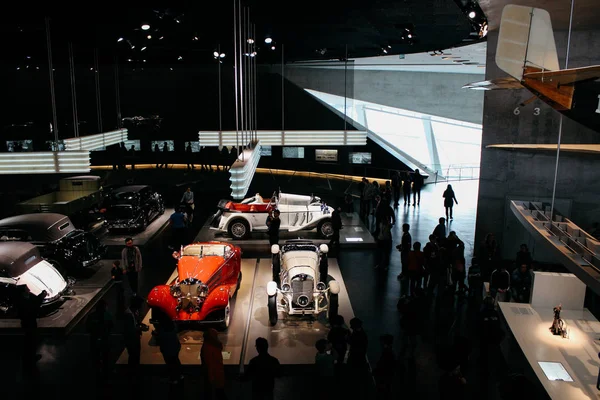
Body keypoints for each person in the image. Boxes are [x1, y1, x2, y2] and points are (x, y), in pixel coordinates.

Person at [16, 285, 46, 374]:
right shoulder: (22, 301)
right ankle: (29, 360)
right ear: (24, 292)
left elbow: (34, 303)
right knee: (30, 341)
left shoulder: (27, 298)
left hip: (30, 322)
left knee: (31, 340)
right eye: (27, 289)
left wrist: (41, 296)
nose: (29, 290)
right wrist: (41, 297)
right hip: (28, 323)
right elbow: (33, 307)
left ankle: (31, 357)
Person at [86, 299, 113, 376]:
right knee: (105, 357)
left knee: (96, 357)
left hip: (94, 340)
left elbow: (87, 328)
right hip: (105, 339)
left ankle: (97, 372)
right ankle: (106, 372)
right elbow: (111, 326)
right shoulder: (108, 315)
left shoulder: (91, 316)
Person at [201, 328, 226, 400]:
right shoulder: (216, 345)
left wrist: (210, 377)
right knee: (219, 391)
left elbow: (209, 363)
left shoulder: (207, 347)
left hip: (212, 373)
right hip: (218, 371)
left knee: (211, 391)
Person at [158, 318, 183, 384]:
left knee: (170, 363)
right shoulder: (173, 325)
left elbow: (161, 338)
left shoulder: (162, 329)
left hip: (168, 348)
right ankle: (179, 375)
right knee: (176, 361)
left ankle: (173, 379)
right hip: (175, 346)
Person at [373, 334, 395, 400]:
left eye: (382, 342)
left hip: (383, 379)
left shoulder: (387, 353)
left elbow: (383, 367)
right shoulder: (390, 352)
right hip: (386, 379)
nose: (381, 344)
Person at [123, 296, 142, 369]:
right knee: (133, 355)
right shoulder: (128, 314)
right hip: (131, 339)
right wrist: (140, 328)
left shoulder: (135, 311)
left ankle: (135, 369)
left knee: (136, 355)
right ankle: (132, 371)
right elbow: (130, 329)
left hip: (135, 337)